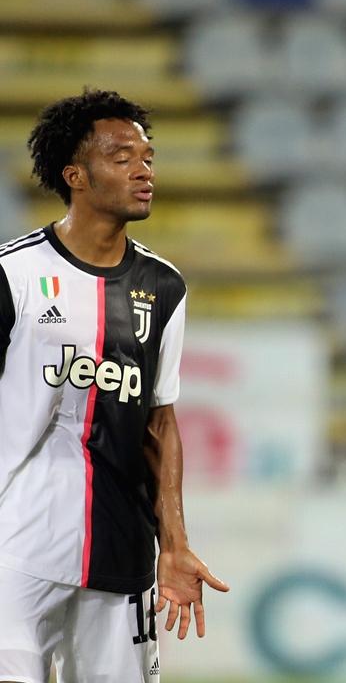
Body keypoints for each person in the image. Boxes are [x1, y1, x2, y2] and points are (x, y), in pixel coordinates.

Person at [0, 89, 228, 683]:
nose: (143, 170)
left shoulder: (165, 287)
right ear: (75, 175)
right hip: (16, 548)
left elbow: (159, 422)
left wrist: (174, 543)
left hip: (122, 553)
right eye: (122, 157)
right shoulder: (12, 274)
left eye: (148, 157)